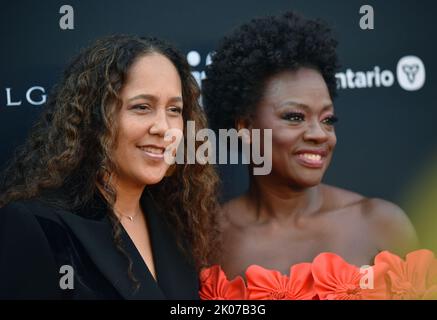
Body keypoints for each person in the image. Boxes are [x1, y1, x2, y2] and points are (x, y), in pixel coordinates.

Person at [200, 11, 421, 299]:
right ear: (244, 126)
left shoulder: (381, 223)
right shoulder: (210, 239)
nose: (320, 134)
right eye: (295, 117)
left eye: (328, 119)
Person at [0, 35, 219, 299]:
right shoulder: (38, 226)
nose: (163, 127)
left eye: (174, 110)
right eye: (142, 107)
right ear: (96, 117)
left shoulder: (176, 222)